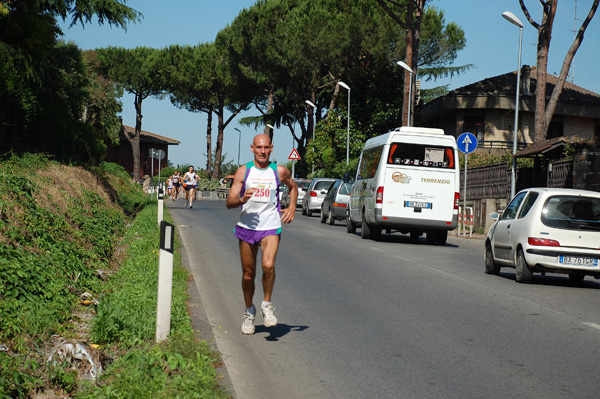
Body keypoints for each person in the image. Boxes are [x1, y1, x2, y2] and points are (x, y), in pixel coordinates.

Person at [226, 134, 298, 335]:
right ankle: (249, 312)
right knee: (248, 275)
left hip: (270, 225)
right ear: (252, 148)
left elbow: (294, 187)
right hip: (247, 227)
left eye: (266, 147)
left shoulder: (279, 171)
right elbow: (229, 202)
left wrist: (291, 207)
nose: (263, 151)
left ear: (271, 148)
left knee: (268, 265)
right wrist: (241, 199)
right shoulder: (244, 172)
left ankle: (267, 304)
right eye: (259, 147)